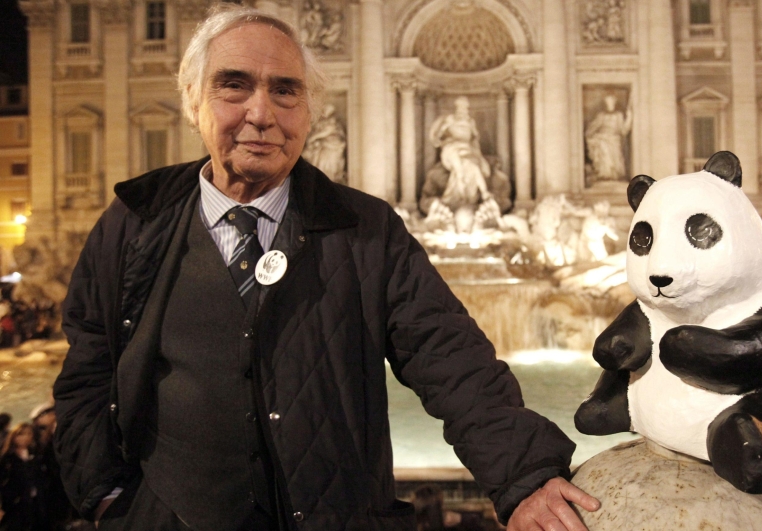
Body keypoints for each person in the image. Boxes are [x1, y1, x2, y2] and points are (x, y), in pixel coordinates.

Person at [53, 5, 597, 531]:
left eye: (285, 90)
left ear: (310, 112)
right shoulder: (135, 222)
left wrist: (524, 475)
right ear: (193, 101)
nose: (261, 114)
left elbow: (449, 356)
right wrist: (106, 497)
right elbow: (87, 369)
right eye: (234, 85)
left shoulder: (366, 228)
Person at [428, 97, 493, 212]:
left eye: (465, 107)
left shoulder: (470, 121)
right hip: (451, 148)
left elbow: (475, 138)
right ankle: (458, 196)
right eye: (461, 106)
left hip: (466, 150)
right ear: (457, 107)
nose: (463, 110)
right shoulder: (450, 119)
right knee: (459, 169)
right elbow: (438, 133)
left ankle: (482, 193)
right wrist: (439, 140)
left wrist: (477, 151)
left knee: (473, 167)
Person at [0, 423, 44, 530]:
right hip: (15, 505)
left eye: (29, 434)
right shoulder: (7, 458)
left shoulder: (36, 454)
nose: (26, 437)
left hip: (36, 502)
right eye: (21, 434)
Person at [585, 94, 632, 182]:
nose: (610, 105)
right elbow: (591, 130)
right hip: (603, 139)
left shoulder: (619, 116)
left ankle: (613, 177)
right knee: (603, 151)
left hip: (614, 140)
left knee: (615, 158)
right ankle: (604, 175)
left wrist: (629, 117)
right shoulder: (601, 116)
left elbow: (623, 131)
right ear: (605, 104)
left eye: (612, 103)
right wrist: (595, 137)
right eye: (608, 103)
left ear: (614, 104)